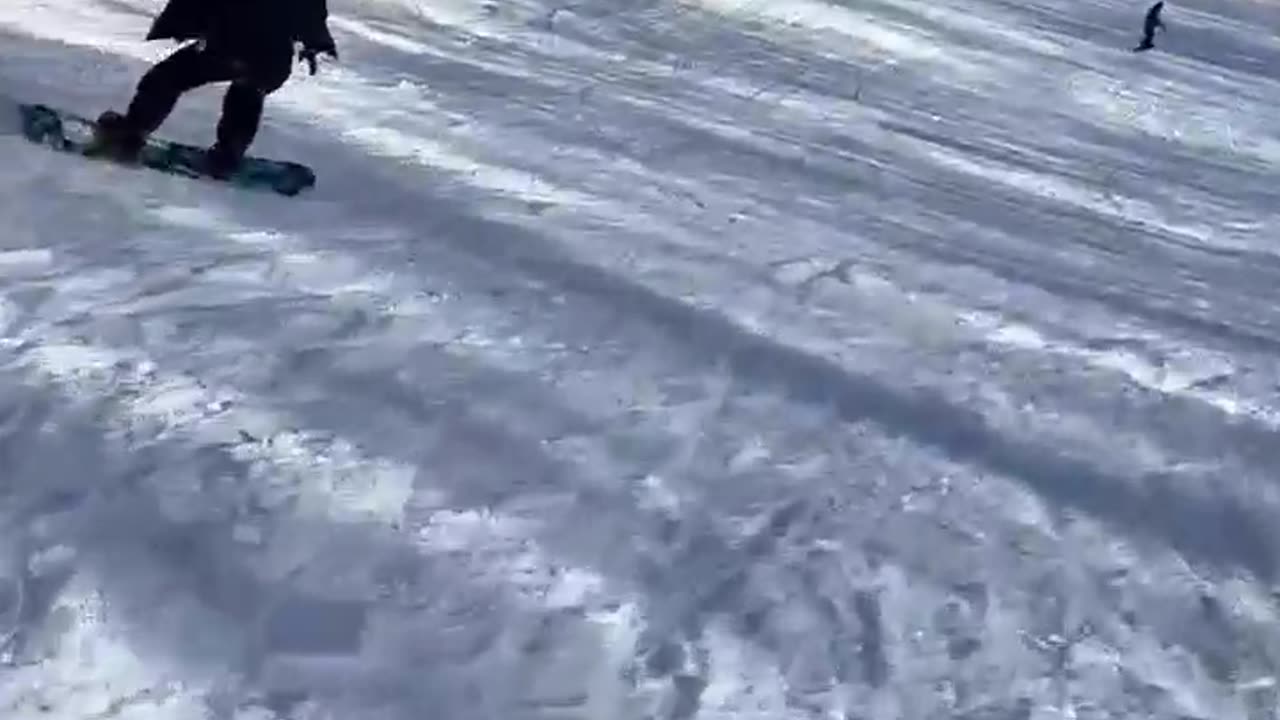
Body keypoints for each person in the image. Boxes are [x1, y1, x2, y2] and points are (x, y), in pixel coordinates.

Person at [93, 0, 338, 177]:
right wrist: (316, 44)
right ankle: (229, 154)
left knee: (168, 76)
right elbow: (311, 12)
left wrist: (178, 25)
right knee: (249, 89)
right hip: (274, 59)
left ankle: (130, 134)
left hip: (233, 45)